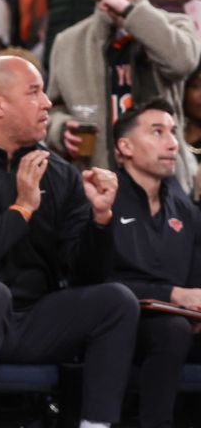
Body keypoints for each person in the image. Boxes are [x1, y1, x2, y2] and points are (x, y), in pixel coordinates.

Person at [0, 55, 139, 428]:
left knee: (116, 301)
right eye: (34, 92)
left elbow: (86, 274)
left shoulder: (60, 173)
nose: (47, 103)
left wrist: (100, 220)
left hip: (31, 320)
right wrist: (21, 210)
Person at [46, 0, 201, 187]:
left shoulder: (176, 26)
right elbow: (51, 110)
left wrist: (131, 13)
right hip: (97, 185)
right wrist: (61, 129)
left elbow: (182, 62)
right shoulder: (68, 41)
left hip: (167, 189)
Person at [106, 99, 201, 428]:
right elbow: (95, 280)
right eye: (157, 132)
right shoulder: (104, 200)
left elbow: (195, 279)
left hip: (182, 320)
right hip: (122, 320)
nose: (172, 143)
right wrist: (174, 294)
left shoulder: (185, 206)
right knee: (172, 330)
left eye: (173, 132)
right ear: (125, 146)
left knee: (179, 327)